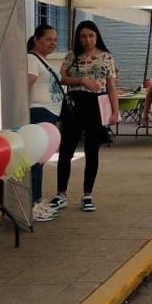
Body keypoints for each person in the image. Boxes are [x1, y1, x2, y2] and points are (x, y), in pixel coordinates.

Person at [49, 21, 118, 213]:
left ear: (97, 36)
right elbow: (61, 78)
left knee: (92, 150)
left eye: (91, 35)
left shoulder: (106, 57)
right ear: (78, 38)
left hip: (96, 105)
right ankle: (61, 193)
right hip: (74, 104)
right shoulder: (72, 55)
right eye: (83, 36)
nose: (87, 40)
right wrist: (81, 80)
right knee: (66, 150)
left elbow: (111, 85)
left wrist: (115, 111)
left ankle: (88, 194)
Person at [26, 24, 62, 222]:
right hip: (38, 113)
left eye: (55, 40)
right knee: (35, 160)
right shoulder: (31, 59)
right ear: (36, 39)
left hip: (48, 115)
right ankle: (32, 203)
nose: (53, 43)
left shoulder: (41, 60)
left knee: (39, 160)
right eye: (48, 39)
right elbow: (24, 86)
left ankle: (37, 201)